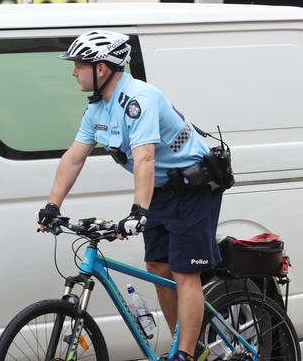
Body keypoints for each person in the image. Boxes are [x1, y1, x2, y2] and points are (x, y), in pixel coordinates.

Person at [37, 30, 223, 361]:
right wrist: (53, 205)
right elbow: (74, 158)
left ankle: (187, 354)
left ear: (102, 69)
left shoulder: (140, 99)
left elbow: (145, 157)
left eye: (79, 64)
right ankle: (187, 342)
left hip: (194, 189)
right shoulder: (98, 108)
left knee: (184, 272)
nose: (73, 72)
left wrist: (138, 210)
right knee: (157, 267)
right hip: (163, 191)